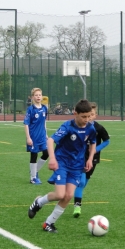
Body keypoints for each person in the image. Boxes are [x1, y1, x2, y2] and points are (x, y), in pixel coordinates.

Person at [28, 99, 96, 233]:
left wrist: (90, 159)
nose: (86, 119)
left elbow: (93, 142)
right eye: (83, 117)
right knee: (60, 194)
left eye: (89, 116)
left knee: (68, 196)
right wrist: (52, 159)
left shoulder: (90, 128)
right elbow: (51, 140)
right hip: (62, 163)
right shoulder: (67, 126)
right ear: (75, 113)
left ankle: (48, 223)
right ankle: (39, 202)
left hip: (77, 166)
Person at [73, 102, 110, 218]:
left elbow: (107, 141)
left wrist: (95, 150)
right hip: (81, 157)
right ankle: (77, 207)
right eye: (87, 116)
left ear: (95, 115)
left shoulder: (98, 128)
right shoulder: (79, 126)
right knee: (82, 182)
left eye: (91, 115)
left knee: (84, 183)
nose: (88, 118)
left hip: (93, 159)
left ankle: (74, 193)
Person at [24, 88, 48, 184]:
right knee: (34, 155)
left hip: (42, 136)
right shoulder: (30, 109)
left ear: (42, 96)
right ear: (32, 97)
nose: (38, 96)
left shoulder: (44, 108)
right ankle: (33, 178)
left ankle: (34, 170)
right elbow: (26, 124)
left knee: (47, 153)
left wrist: (46, 133)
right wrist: (28, 137)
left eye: (40, 95)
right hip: (33, 137)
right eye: (36, 95)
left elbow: (44, 122)